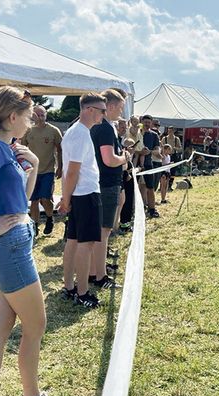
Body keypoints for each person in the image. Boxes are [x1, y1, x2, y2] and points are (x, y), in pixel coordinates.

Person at [0, 86, 71, 396]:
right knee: (36, 324)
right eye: (28, 114)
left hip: (8, 245)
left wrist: (34, 165)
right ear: (12, 116)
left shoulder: (7, 147)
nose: (33, 119)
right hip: (7, 247)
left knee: (1, 326)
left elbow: (22, 199)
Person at [59, 92, 106, 308]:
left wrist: (66, 197)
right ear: (89, 110)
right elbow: (72, 172)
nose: (103, 115)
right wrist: (65, 199)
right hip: (85, 194)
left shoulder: (74, 132)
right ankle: (82, 291)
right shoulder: (80, 134)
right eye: (101, 110)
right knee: (84, 244)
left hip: (80, 194)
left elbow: (69, 171)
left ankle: (70, 286)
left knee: (74, 241)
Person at [89, 89, 128, 289]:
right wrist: (124, 158)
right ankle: (100, 277)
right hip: (106, 184)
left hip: (100, 183)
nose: (121, 112)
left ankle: (95, 270)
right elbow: (109, 159)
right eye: (120, 107)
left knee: (99, 231)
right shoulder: (104, 128)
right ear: (110, 106)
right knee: (103, 231)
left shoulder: (99, 126)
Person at [21, 105, 62, 236]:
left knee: (45, 199)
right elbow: (22, 148)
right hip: (32, 172)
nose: (40, 117)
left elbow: (60, 150)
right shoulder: (28, 131)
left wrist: (60, 167)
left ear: (46, 115)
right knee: (34, 201)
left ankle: (50, 218)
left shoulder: (53, 131)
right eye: (37, 115)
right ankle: (35, 226)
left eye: (42, 114)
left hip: (48, 170)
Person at [140, 115, 161, 218]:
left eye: (149, 122)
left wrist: (150, 152)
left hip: (148, 164)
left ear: (151, 123)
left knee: (150, 187)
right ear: (142, 122)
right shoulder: (136, 132)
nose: (147, 124)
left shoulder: (154, 135)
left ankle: (152, 209)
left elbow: (157, 151)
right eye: (145, 122)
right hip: (136, 164)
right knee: (136, 188)